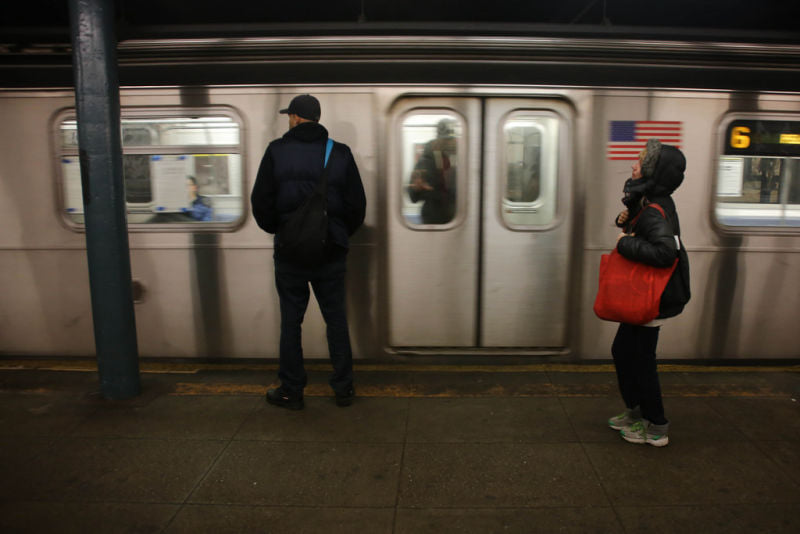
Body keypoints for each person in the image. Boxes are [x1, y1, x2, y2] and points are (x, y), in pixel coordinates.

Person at [251, 94, 366, 410]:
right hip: (331, 252)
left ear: (295, 117)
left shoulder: (276, 151)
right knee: (336, 319)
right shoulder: (340, 153)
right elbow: (357, 205)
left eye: (289, 116)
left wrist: (282, 231)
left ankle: (291, 390)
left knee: (291, 322)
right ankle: (343, 388)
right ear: (316, 118)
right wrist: (337, 234)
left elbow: (260, 202)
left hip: (290, 254)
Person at [607, 138, 690, 447]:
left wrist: (624, 243)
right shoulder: (651, 201)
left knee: (640, 360)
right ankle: (636, 411)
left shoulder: (655, 209)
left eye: (640, 163)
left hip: (652, 297)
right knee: (623, 351)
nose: (633, 165)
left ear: (653, 172)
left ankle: (656, 425)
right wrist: (627, 217)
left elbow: (665, 252)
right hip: (644, 295)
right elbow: (642, 228)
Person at [408, 118, 457, 224]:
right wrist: (417, 189)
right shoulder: (425, 161)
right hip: (432, 219)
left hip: (458, 218)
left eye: (450, 140)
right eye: (444, 140)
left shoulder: (463, 161)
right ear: (437, 141)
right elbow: (413, 197)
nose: (447, 144)